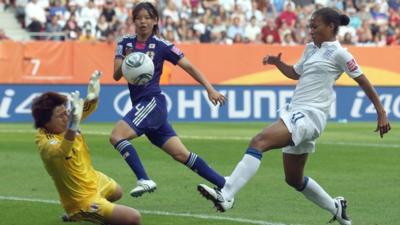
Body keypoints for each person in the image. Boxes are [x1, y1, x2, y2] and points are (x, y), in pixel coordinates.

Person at [197, 7, 391, 225]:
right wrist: (278, 63)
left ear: (331, 27)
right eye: (310, 26)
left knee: (259, 141)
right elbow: (296, 73)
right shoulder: (310, 49)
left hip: (310, 115)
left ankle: (227, 194)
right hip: (297, 113)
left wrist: (381, 113)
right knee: (293, 179)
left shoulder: (340, 53)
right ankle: (336, 207)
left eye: (315, 26)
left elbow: (363, 81)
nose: (310, 30)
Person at [110, 2, 226, 198]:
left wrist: (210, 89)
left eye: (147, 18)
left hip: (152, 102)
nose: (142, 22)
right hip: (142, 105)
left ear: (155, 20)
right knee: (181, 154)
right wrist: (128, 62)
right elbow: (115, 75)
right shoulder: (125, 43)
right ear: (133, 21)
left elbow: (189, 67)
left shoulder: (162, 46)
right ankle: (224, 183)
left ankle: (144, 179)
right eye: (138, 18)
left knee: (116, 136)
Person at [32, 71, 141, 225]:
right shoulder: (45, 141)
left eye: (66, 112)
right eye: (60, 116)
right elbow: (61, 151)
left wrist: (93, 95)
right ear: (45, 122)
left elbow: (87, 108)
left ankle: (97, 212)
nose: (66, 117)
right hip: (81, 199)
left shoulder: (65, 123)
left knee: (117, 191)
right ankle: (78, 213)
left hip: (92, 178)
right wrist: (74, 125)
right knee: (133, 218)